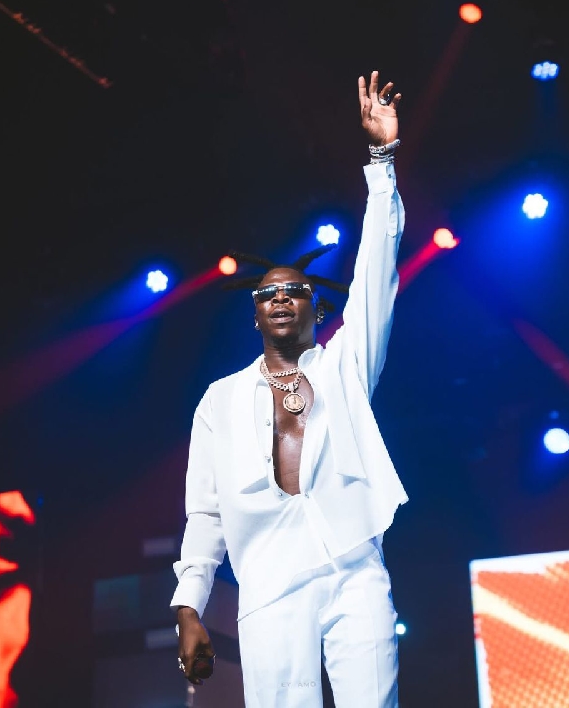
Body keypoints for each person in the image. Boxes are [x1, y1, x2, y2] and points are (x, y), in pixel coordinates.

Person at [171, 70, 408, 707]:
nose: (280, 298)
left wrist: (381, 162)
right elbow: (205, 512)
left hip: (354, 568)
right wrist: (189, 607)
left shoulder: (345, 366)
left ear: (316, 309)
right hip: (271, 585)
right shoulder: (220, 401)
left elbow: (377, 272)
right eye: (267, 293)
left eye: (295, 290)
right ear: (255, 314)